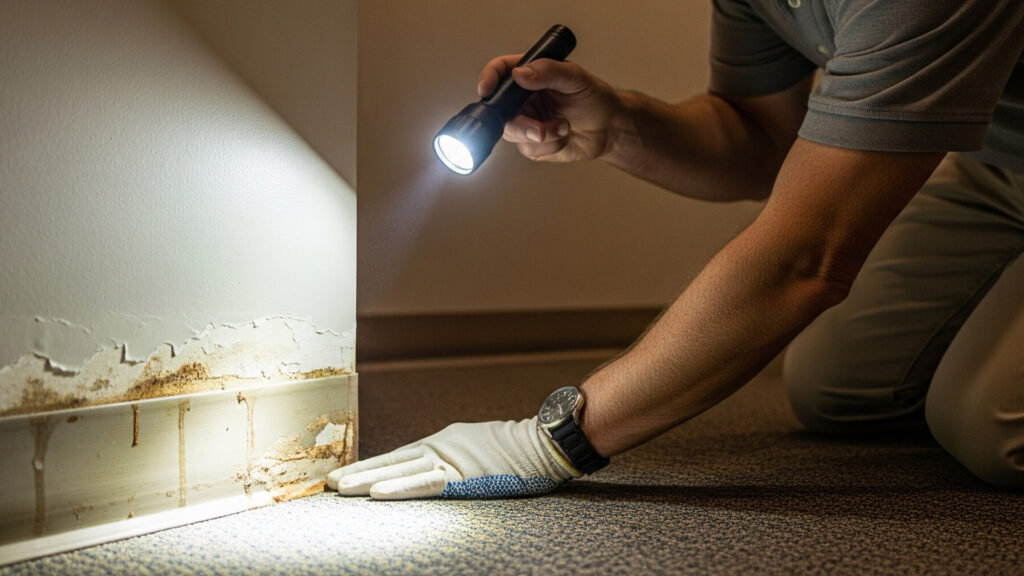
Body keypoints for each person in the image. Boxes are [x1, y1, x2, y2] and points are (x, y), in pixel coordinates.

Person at [328, 0, 1024, 499]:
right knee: (837, 388)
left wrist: (546, 442)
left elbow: (807, 259)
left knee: (988, 428)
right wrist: (616, 127)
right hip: (998, 171)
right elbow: (761, 142)